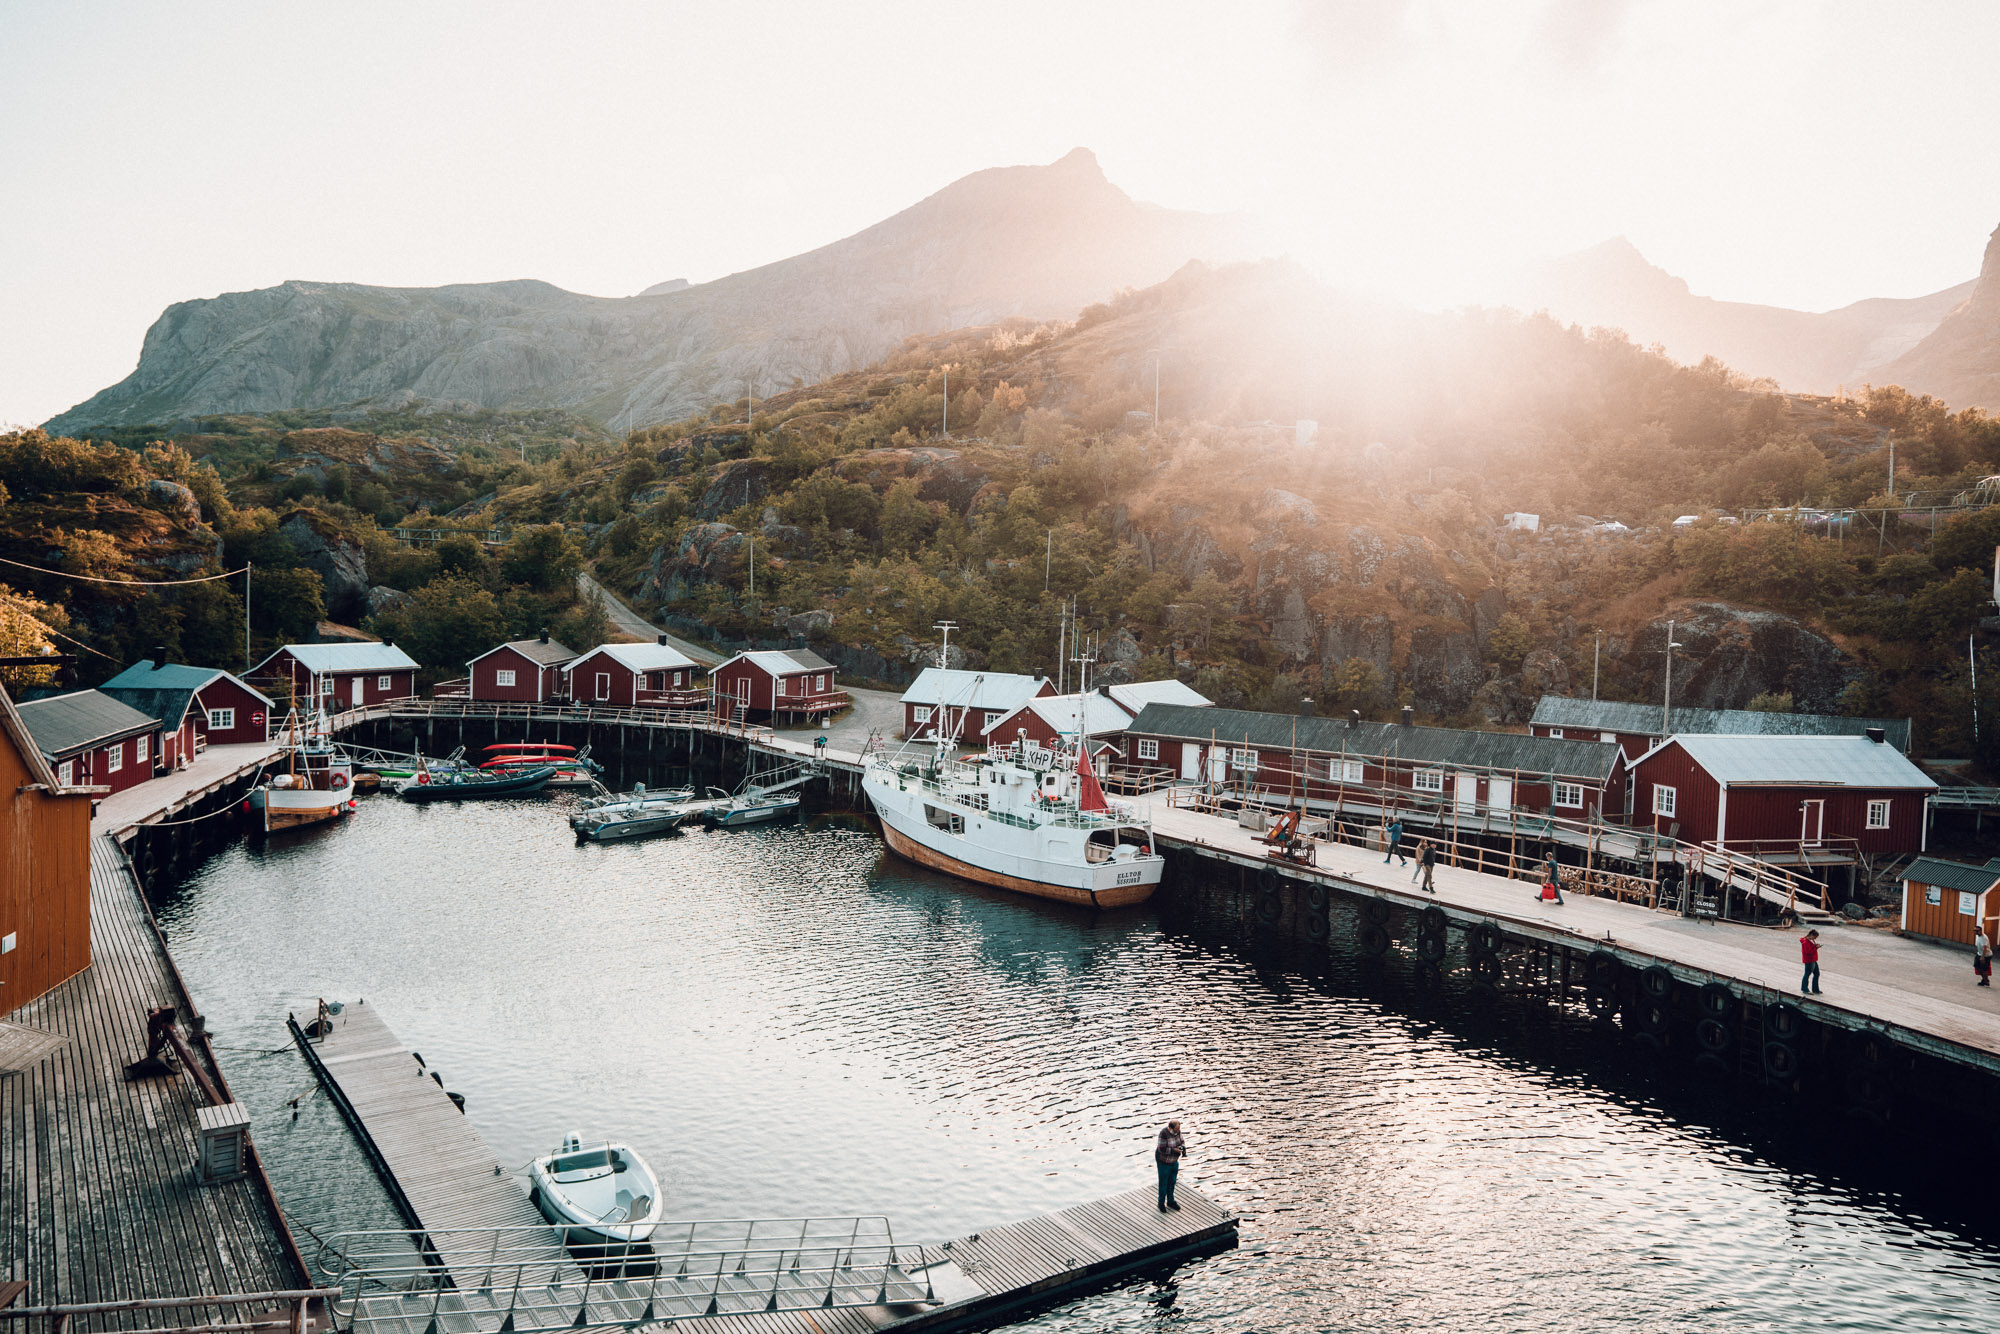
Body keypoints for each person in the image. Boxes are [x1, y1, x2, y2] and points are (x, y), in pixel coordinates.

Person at [1154, 1120, 1185, 1212]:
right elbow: (1162, 1149)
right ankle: (1161, 1203)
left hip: (1174, 1161)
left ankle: (1170, 1201)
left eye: (1179, 1129)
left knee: (1172, 1182)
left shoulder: (1178, 1132)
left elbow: (1182, 1141)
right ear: (1171, 1128)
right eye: (1176, 1129)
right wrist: (1174, 1150)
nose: (1178, 1131)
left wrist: (1182, 1148)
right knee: (1163, 1183)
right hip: (1164, 1162)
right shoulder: (1163, 1133)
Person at [1800, 928, 1822, 994]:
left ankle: (1815, 989)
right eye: (1815, 937)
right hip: (1809, 960)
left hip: (1813, 960)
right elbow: (1808, 952)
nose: (1815, 939)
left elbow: (1810, 949)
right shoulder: (1806, 942)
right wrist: (1816, 948)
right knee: (1807, 974)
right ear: (1811, 935)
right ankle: (1805, 989)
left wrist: (1814, 946)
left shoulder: (1808, 941)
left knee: (1817, 974)